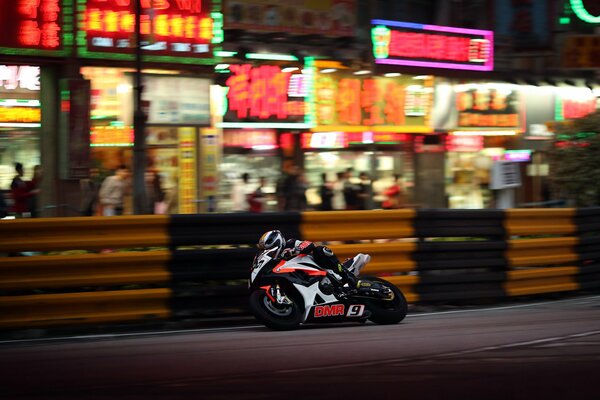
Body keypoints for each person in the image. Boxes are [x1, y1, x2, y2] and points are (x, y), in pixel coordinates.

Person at [257, 230, 372, 294]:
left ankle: (348, 277)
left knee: (320, 250)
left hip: (318, 266)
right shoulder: (275, 261)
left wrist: (293, 251)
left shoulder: (290, 243)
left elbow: (309, 244)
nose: (269, 252)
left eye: (269, 249)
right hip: (303, 276)